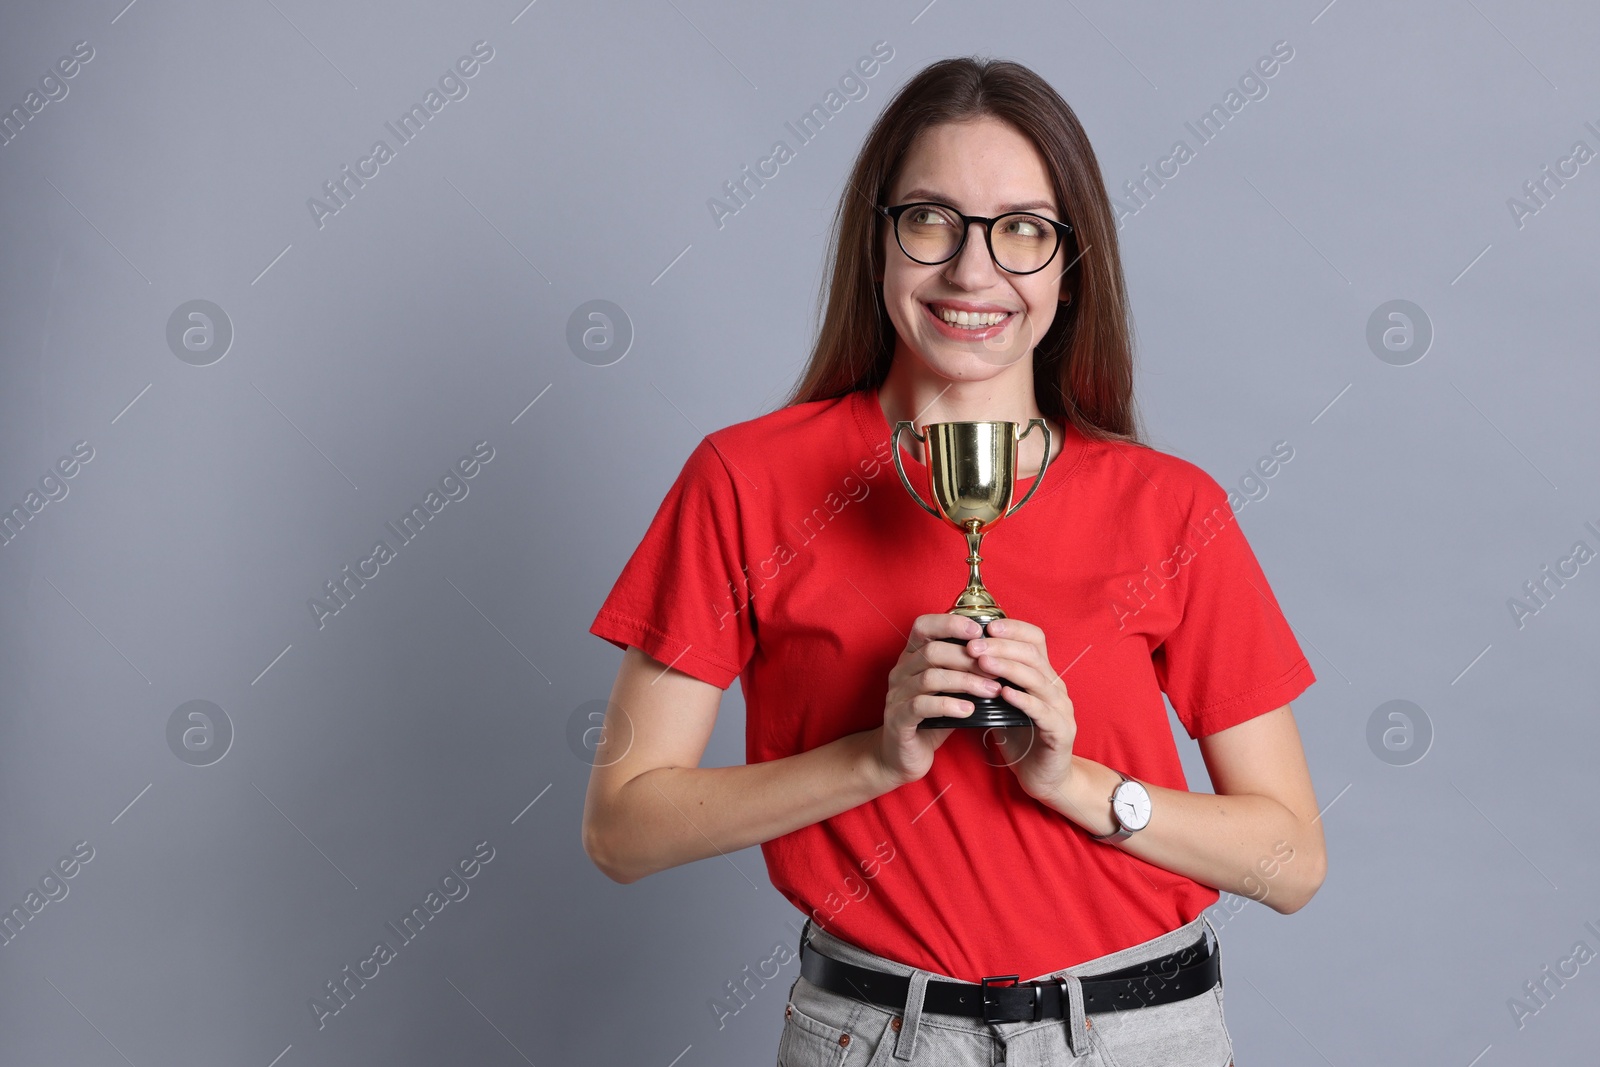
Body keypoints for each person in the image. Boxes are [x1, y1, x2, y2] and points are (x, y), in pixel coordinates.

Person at [583, 55, 1325, 1067]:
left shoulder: (1167, 505)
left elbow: (1290, 860)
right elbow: (624, 828)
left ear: (1071, 269)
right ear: (878, 242)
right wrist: (875, 757)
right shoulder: (747, 479)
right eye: (931, 220)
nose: (973, 273)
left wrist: (1075, 783)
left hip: (1140, 1034)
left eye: (1023, 230)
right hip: (876, 1033)